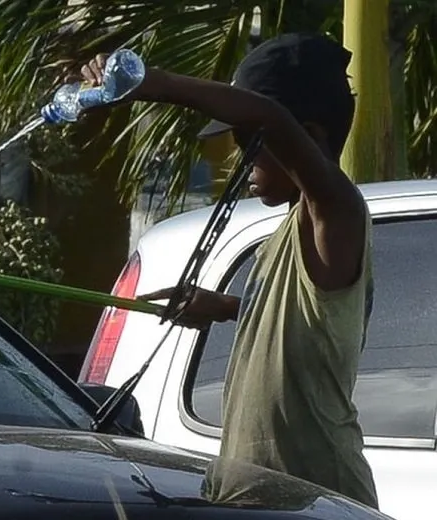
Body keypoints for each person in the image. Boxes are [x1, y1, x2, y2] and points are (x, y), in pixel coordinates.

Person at [78, 33, 379, 509]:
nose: (243, 159)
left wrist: (153, 84)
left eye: (249, 142)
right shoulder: (288, 233)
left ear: (310, 137)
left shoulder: (336, 212)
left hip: (317, 500)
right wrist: (224, 307)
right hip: (258, 499)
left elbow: (271, 118)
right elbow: (307, 326)